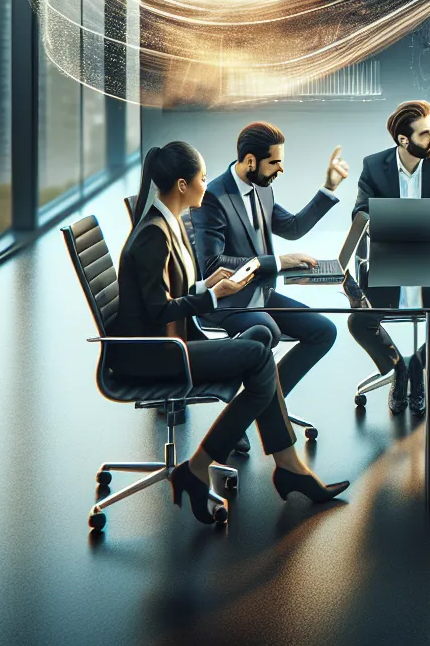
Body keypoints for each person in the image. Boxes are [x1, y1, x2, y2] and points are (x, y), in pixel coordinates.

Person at [112, 142, 348, 522]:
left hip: (173, 341)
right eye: (202, 178)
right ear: (183, 185)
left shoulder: (167, 223)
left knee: (259, 341)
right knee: (259, 353)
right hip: (156, 353)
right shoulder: (154, 234)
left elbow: (167, 294)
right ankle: (230, 466)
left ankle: (277, 466)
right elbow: (158, 311)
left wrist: (205, 286)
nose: (207, 184)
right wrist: (213, 295)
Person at [191, 121, 348, 454]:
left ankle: (259, 405)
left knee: (324, 331)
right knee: (269, 331)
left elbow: (291, 228)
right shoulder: (213, 197)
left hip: (260, 294)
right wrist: (277, 262)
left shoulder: (262, 187)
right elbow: (213, 266)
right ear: (251, 161)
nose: (281, 169)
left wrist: (328, 188)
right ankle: (247, 413)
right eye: (274, 162)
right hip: (228, 301)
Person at [349, 100, 430, 415]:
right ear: (404, 140)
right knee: (359, 321)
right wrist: (385, 224)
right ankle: (397, 369)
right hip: (389, 261)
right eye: (424, 134)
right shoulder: (374, 166)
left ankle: (418, 367)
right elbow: (360, 212)